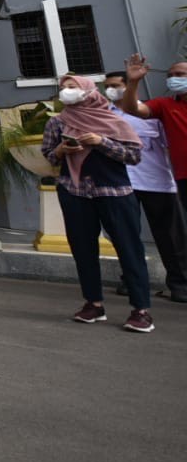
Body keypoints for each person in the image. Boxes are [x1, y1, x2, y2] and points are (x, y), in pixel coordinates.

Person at [44, 73, 153, 332]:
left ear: (88, 90)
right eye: (63, 87)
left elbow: (133, 156)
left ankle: (141, 310)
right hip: (74, 191)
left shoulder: (113, 119)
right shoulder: (57, 122)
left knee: (129, 249)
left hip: (114, 192)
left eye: (72, 87)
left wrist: (101, 142)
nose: (66, 91)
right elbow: (49, 155)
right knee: (83, 249)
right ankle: (93, 304)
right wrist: (61, 150)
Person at [104, 71, 187, 302]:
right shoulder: (103, 116)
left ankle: (180, 285)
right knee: (125, 235)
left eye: (115, 85)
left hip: (156, 182)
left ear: (129, 85)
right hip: (120, 183)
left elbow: (171, 145)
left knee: (170, 237)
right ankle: (132, 281)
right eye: (107, 86)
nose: (110, 90)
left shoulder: (152, 113)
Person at [119, 55, 187, 206]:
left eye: (179, 74)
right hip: (184, 175)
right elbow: (132, 109)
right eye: (170, 76)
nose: (173, 79)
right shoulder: (164, 104)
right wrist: (133, 82)